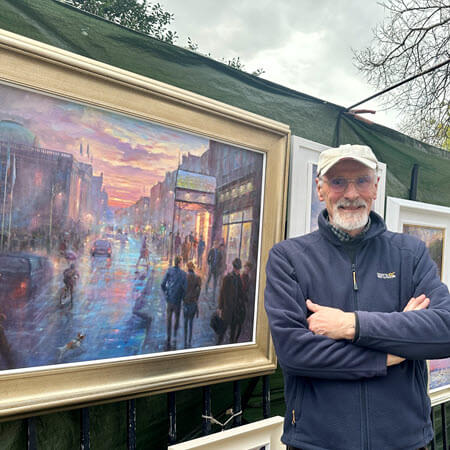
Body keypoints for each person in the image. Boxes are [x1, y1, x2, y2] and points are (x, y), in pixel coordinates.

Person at [264, 144, 450, 450]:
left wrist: (352, 325)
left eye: (362, 180)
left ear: (375, 186)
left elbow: (444, 330)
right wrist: (394, 351)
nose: (351, 193)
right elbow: (295, 353)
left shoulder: (411, 254)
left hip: (404, 441)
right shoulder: (289, 258)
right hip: (317, 443)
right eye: (338, 182)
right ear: (320, 189)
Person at [217, 258, 247, 344]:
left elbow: (241, 293)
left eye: (238, 269)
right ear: (234, 268)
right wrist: (220, 307)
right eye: (237, 269)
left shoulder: (239, 279)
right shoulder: (227, 278)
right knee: (222, 331)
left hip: (235, 310)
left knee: (233, 332)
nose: (238, 271)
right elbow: (222, 293)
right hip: (227, 309)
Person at [161, 256, 187, 348]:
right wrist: (183, 298)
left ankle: (168, 336)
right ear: (179, 263)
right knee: (176, 317)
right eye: (181, 262)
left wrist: (166, 293)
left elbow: (162, 284)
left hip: (170, 298)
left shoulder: (169, 271)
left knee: (168, 318)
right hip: (177, 300)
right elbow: (185, 289)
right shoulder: (183, 274)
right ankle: (174, 336)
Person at [183, 261, 201, 348]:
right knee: (191, 322)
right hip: (193, 302)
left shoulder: (184, 277)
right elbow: (199, 291)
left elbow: (182, 289)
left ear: (187, 268)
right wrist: (196, 298)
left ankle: (185, 339)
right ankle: (189, 340)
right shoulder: (197, 278)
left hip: (186, 302)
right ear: (193, 268)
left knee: (185, 321)